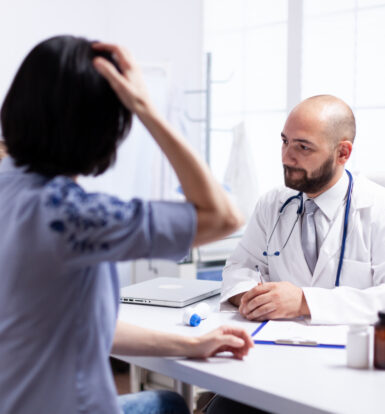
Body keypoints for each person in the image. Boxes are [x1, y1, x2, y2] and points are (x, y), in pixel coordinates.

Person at [0, 36, 254, 414]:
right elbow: (223, 216)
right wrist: (149, 109)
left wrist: (189, 345)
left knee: (165, 403)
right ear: (102, 131)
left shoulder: (9, 182)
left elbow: (88, 326)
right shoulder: (72, 216)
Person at [221, 94, 385, 325]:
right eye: (285, 141)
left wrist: (303, 301)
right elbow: (240, 267)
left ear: (343, 153)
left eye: (303, 147)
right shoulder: (272, 204)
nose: (287, 157)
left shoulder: (378, 208)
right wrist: (253, 298)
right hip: (275, 345)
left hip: (349, 353)